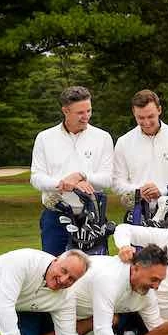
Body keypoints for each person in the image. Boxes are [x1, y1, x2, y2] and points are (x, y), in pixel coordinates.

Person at [30, 86, 114, 254]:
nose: (86, 117)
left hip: (93, 218)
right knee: (55, 273)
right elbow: (36, 178)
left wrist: (81, 176)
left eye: (89, 110)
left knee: (95, 273)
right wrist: (63, 183)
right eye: (80, 113)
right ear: (65, 111)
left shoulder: (103, 137)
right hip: (56, 217)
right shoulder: (45, 138)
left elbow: (108, 179)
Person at [111, 89, 168, 220]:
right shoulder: (124, 142)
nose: (146, 122)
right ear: (134, 113)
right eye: (140, 118)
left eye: (150, 116)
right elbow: (116, 182)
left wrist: (162, 191)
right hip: (138, 212)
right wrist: (138, 191)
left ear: (159, 110)